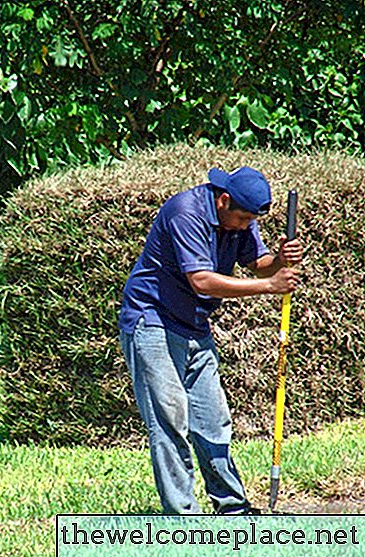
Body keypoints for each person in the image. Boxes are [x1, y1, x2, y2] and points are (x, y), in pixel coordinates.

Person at [118, 166, 303, 515]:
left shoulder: (240, 216)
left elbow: (258, 263)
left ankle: (232, 508)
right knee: (169, 422)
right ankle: (183, 519)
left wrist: (280, 261)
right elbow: (201, 281)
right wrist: (269, 286)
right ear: (223, 200)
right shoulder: (185, 212)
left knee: (212, 420)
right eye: (244, 218)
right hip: (152, 321)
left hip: (194, 326)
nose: (247, 225)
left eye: (252, 220)